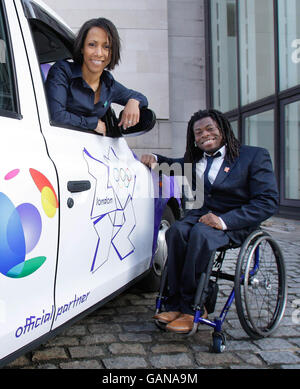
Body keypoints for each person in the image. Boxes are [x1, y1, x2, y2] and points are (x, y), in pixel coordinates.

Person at [141, 109, 279, 333]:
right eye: (198, 132)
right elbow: (172, 164)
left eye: (209, 129)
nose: (204, 135)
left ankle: (196, 306)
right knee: (175, 232)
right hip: (203, 217)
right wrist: (154, 158)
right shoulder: (195, 159)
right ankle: (174, 304)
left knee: (199, 235)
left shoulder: (254, 156)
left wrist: (224, 221)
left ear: (222, 130)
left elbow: (268, 202)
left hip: (234, 221)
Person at [46, 18, 148, 135]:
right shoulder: (63, 71)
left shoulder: (109, 84)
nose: (99, 53)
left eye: (106, 47)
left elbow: (141, 98)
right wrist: (93, 123)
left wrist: (134, 101)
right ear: (82, 48)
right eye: (92, 45)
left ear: (112, 52)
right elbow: (56, 116)